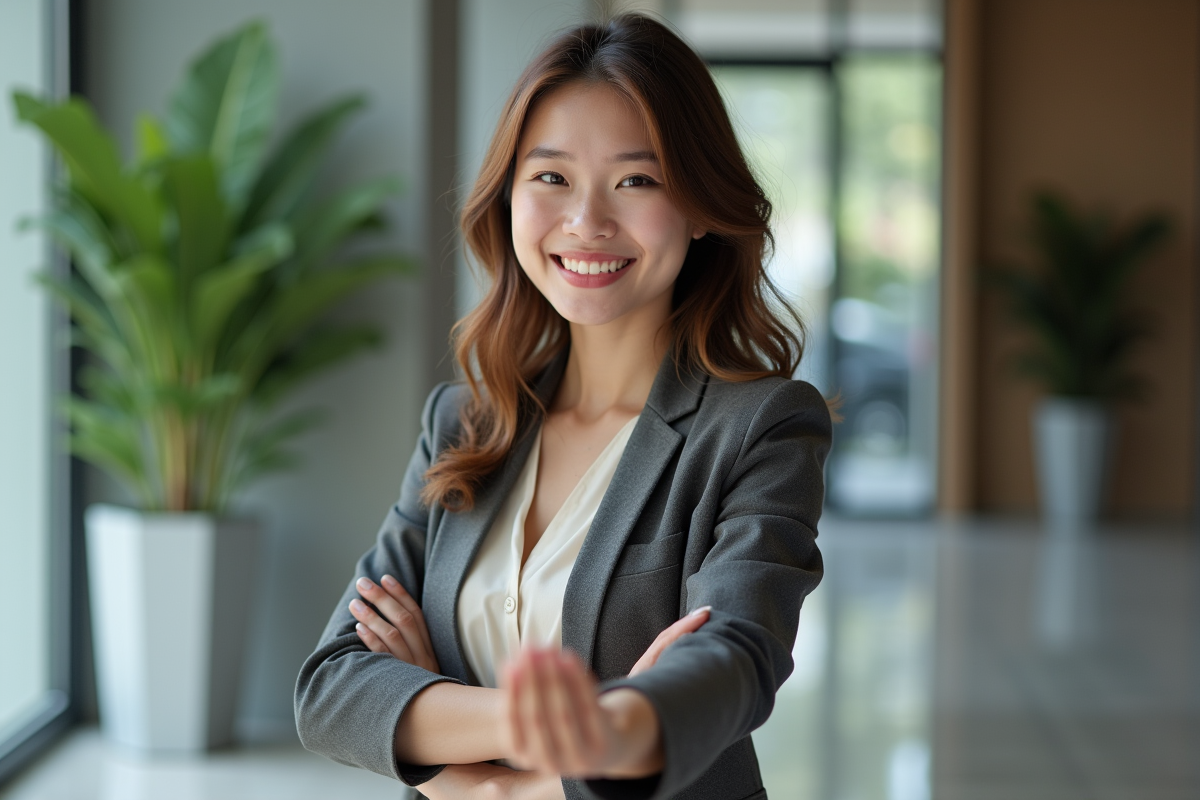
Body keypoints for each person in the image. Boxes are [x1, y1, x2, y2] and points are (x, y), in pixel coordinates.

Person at [295, 12, 831, 800]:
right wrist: (563, 723)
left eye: (637, 180)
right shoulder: (463, 422)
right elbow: (333, 690)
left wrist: (458, 757)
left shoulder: (762, 425)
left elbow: (733, 665)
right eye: (551, 177)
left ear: (699, 208)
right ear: (508, 195)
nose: (588, 222)